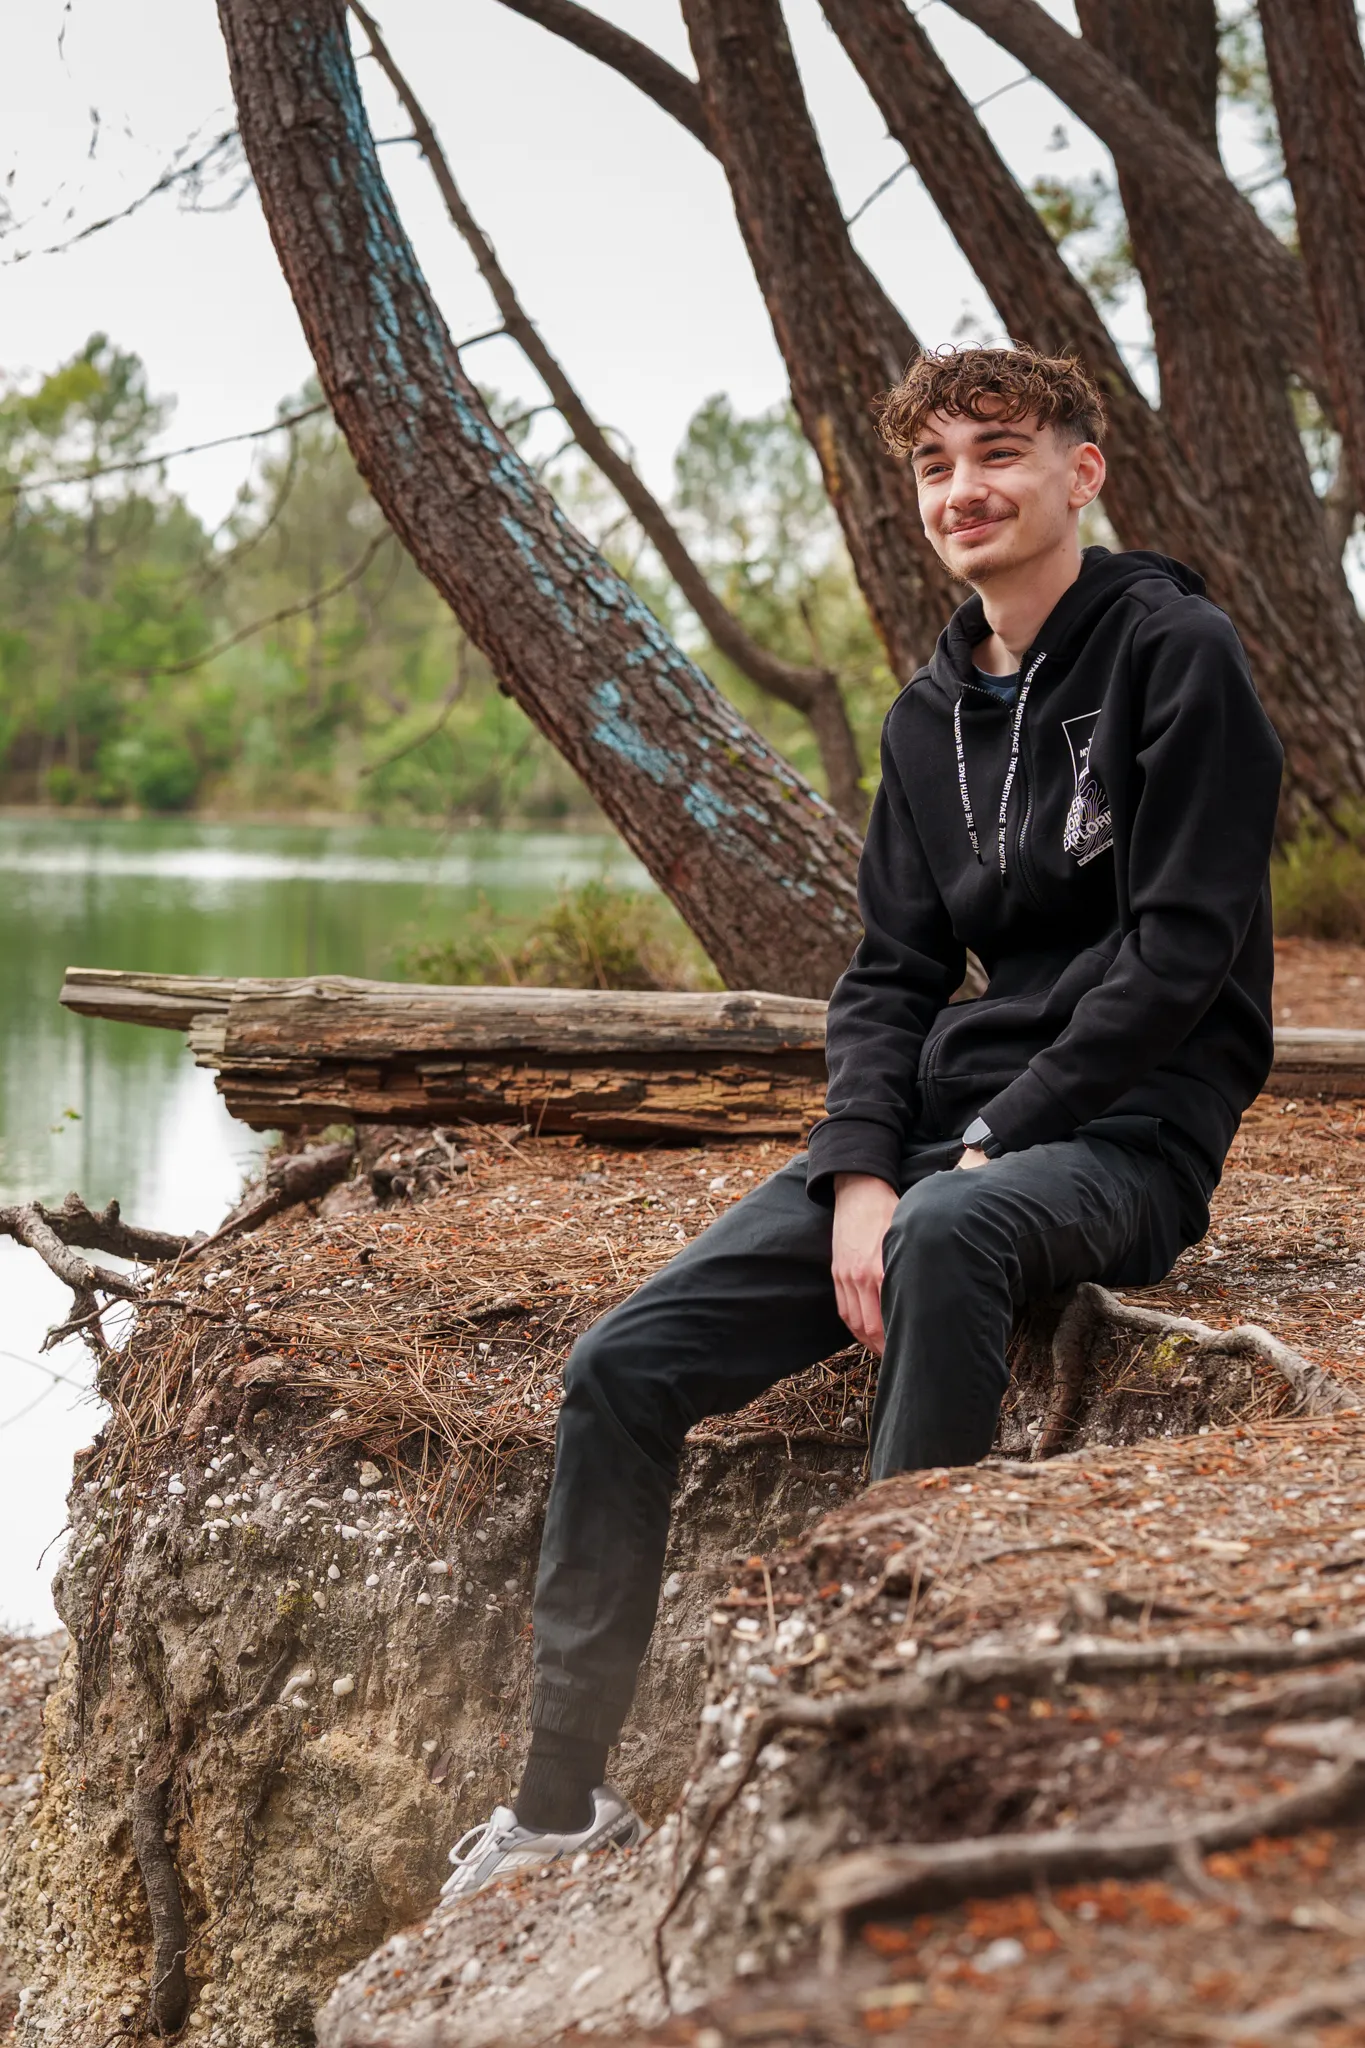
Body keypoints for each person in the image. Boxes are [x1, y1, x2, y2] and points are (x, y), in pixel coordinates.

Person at [441, 343, 1283, 1899]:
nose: (964, 488)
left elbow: (1181, 956)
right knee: (621, 1367)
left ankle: (861, 1721)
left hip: (1133, 1136)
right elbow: (889, 979)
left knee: (954, 1233)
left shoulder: (1180, 657)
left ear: (1081, 473)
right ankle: (560, 1803)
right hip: (956, 1126)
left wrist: (971, 1153)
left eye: (999, 452)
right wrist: (857, 1169)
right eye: (934, 467)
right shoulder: (925, 718)